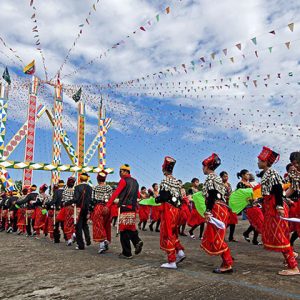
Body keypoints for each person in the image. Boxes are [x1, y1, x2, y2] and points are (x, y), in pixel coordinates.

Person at [258, 146, 299, 276]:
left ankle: (293, 266)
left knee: (281, 236)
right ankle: (291, 256)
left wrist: (280, 206)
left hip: (275, 206)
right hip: (271, 205)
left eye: (259, 160)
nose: (258, 162)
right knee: (279, 236)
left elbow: (277, 188)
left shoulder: (271, 173)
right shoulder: (267, 173)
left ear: (265, 162)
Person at [201, 153, 233, 274]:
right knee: (217, 236)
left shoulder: (210, 177)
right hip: (222, 208)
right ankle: (227, 260)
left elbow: (212, 194)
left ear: (207, 167)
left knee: (215, 238)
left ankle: (227, 263)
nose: (202, 169)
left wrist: (208, 210)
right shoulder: (218, 178)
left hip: (216, 208)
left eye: (203, 166)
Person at [107, 164, 143, 259]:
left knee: (123, 230)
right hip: (132, 209)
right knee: (130, 228)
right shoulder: (135, 182)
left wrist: (108, 205)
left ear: (126, 172)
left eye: (121, 171)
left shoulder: (123, 181)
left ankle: (127, 253)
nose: (120, 173)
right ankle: (137, 241)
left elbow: (116, 193)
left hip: (124, 207)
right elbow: (138, 195)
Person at [155, 156, 185, 269]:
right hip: (176, 210)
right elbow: (181, 197)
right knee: (173, 232)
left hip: (168, 209)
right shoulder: (177, 181)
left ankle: (172, 261)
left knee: (167, 233)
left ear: (164, 169)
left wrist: (156, 199)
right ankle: (180, 251)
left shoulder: (165, 180)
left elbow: (163, 197)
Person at [236, 169, 261, 245]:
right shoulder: (240, 184)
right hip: (248, 205)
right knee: (256, 221)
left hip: (254, 204)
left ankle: (251, 237)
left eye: (249, 174)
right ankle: (251, 237)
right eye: (247, 174)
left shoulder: (249, 183)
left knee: (257, 221)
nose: (248, 175)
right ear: (243, 175)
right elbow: (241, 195)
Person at [90, 172, 112, 254]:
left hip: (98, 207)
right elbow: (111, 198)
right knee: (106, 225)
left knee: (98, 225)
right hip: (107, 207)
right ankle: (106, 240)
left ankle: (102, 243)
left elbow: (92, 199)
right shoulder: (108, 187)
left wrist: (91, 210)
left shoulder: (95, 188)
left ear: (97, 179)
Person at [70, 173, 92, 250]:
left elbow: (75, 199)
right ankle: (88, 239)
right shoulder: (90, 188)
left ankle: (81, 244)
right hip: (86, 208)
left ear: (80, 179)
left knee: (78, 226)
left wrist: (69, 202)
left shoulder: (77, 187)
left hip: (79, 208)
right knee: (85, 224)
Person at [286, 152, 300, 253]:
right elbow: (292, 189)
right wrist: (280, 196)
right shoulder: (294, 174)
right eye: (294, 163)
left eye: (298, 163)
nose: (296, 165)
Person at [57, 177, 76, 246]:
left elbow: (63, 201)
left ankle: (69, 239)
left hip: (67, 208)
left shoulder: (65, 191)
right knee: (73, 222)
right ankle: (74, 233)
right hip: (74, 208)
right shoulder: (75, 191)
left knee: (67, 223)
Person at [220, 171, 237, 242]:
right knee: (225, 221)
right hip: (223, 204)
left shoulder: (229, 184)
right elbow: (220, 195)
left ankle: (231, 237)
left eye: (227, 176)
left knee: (233, 221)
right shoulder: (220, 185)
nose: (226, 178)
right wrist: (226, 197)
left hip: (230, 204)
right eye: (224, 176)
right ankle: (220, 235)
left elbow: (231, 193)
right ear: (221, 177)